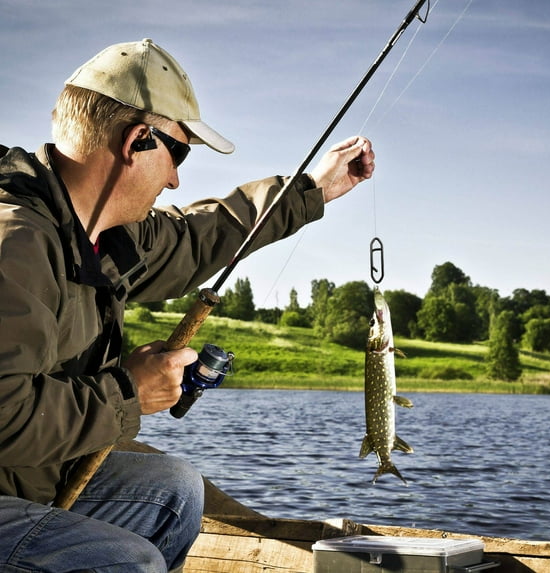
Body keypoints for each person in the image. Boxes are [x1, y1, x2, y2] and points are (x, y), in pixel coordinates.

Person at [0, 38, 375, 572]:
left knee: (174, 490)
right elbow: (6, 415)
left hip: (30, 479)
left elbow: (203, 233)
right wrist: (128, 390)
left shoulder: (101, 234)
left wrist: (312, 189)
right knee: (126, 560)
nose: (176, 178)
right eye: (178, 154)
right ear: (137, 140)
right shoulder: (15, 242)